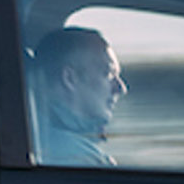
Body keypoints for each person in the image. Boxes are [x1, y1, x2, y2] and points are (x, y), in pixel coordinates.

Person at [31, 23, 124, 167]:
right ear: (69, 78)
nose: (121, 88)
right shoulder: (78, 159)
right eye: (109, 74)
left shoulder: (41, 137)